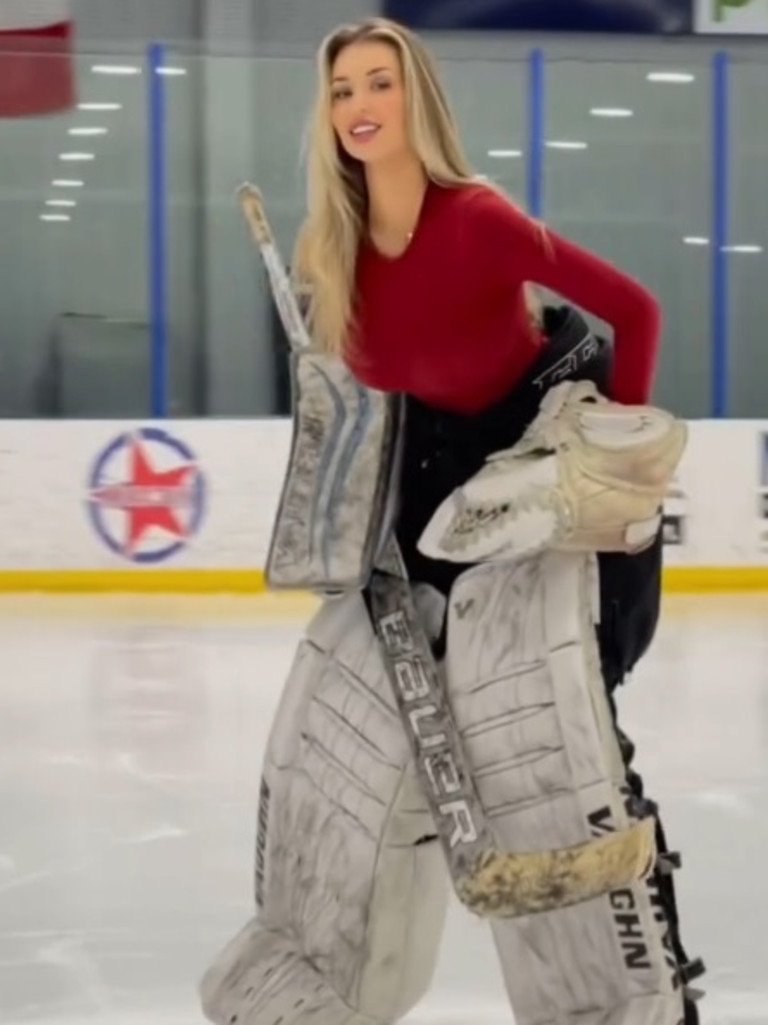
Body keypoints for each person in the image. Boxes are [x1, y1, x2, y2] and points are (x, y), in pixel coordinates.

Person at [200, 17, 704, 1025]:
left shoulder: (475, 219)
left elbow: (635, 312)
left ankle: (630, 1002)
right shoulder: (332, 247)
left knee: (546, 754)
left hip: (546, 499)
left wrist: (612, 473)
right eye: (341, 89)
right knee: (349, 734)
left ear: (414, 99)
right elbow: (380, 389)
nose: (357, 106)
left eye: (378, 83)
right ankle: (315, 970)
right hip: (428, 508)